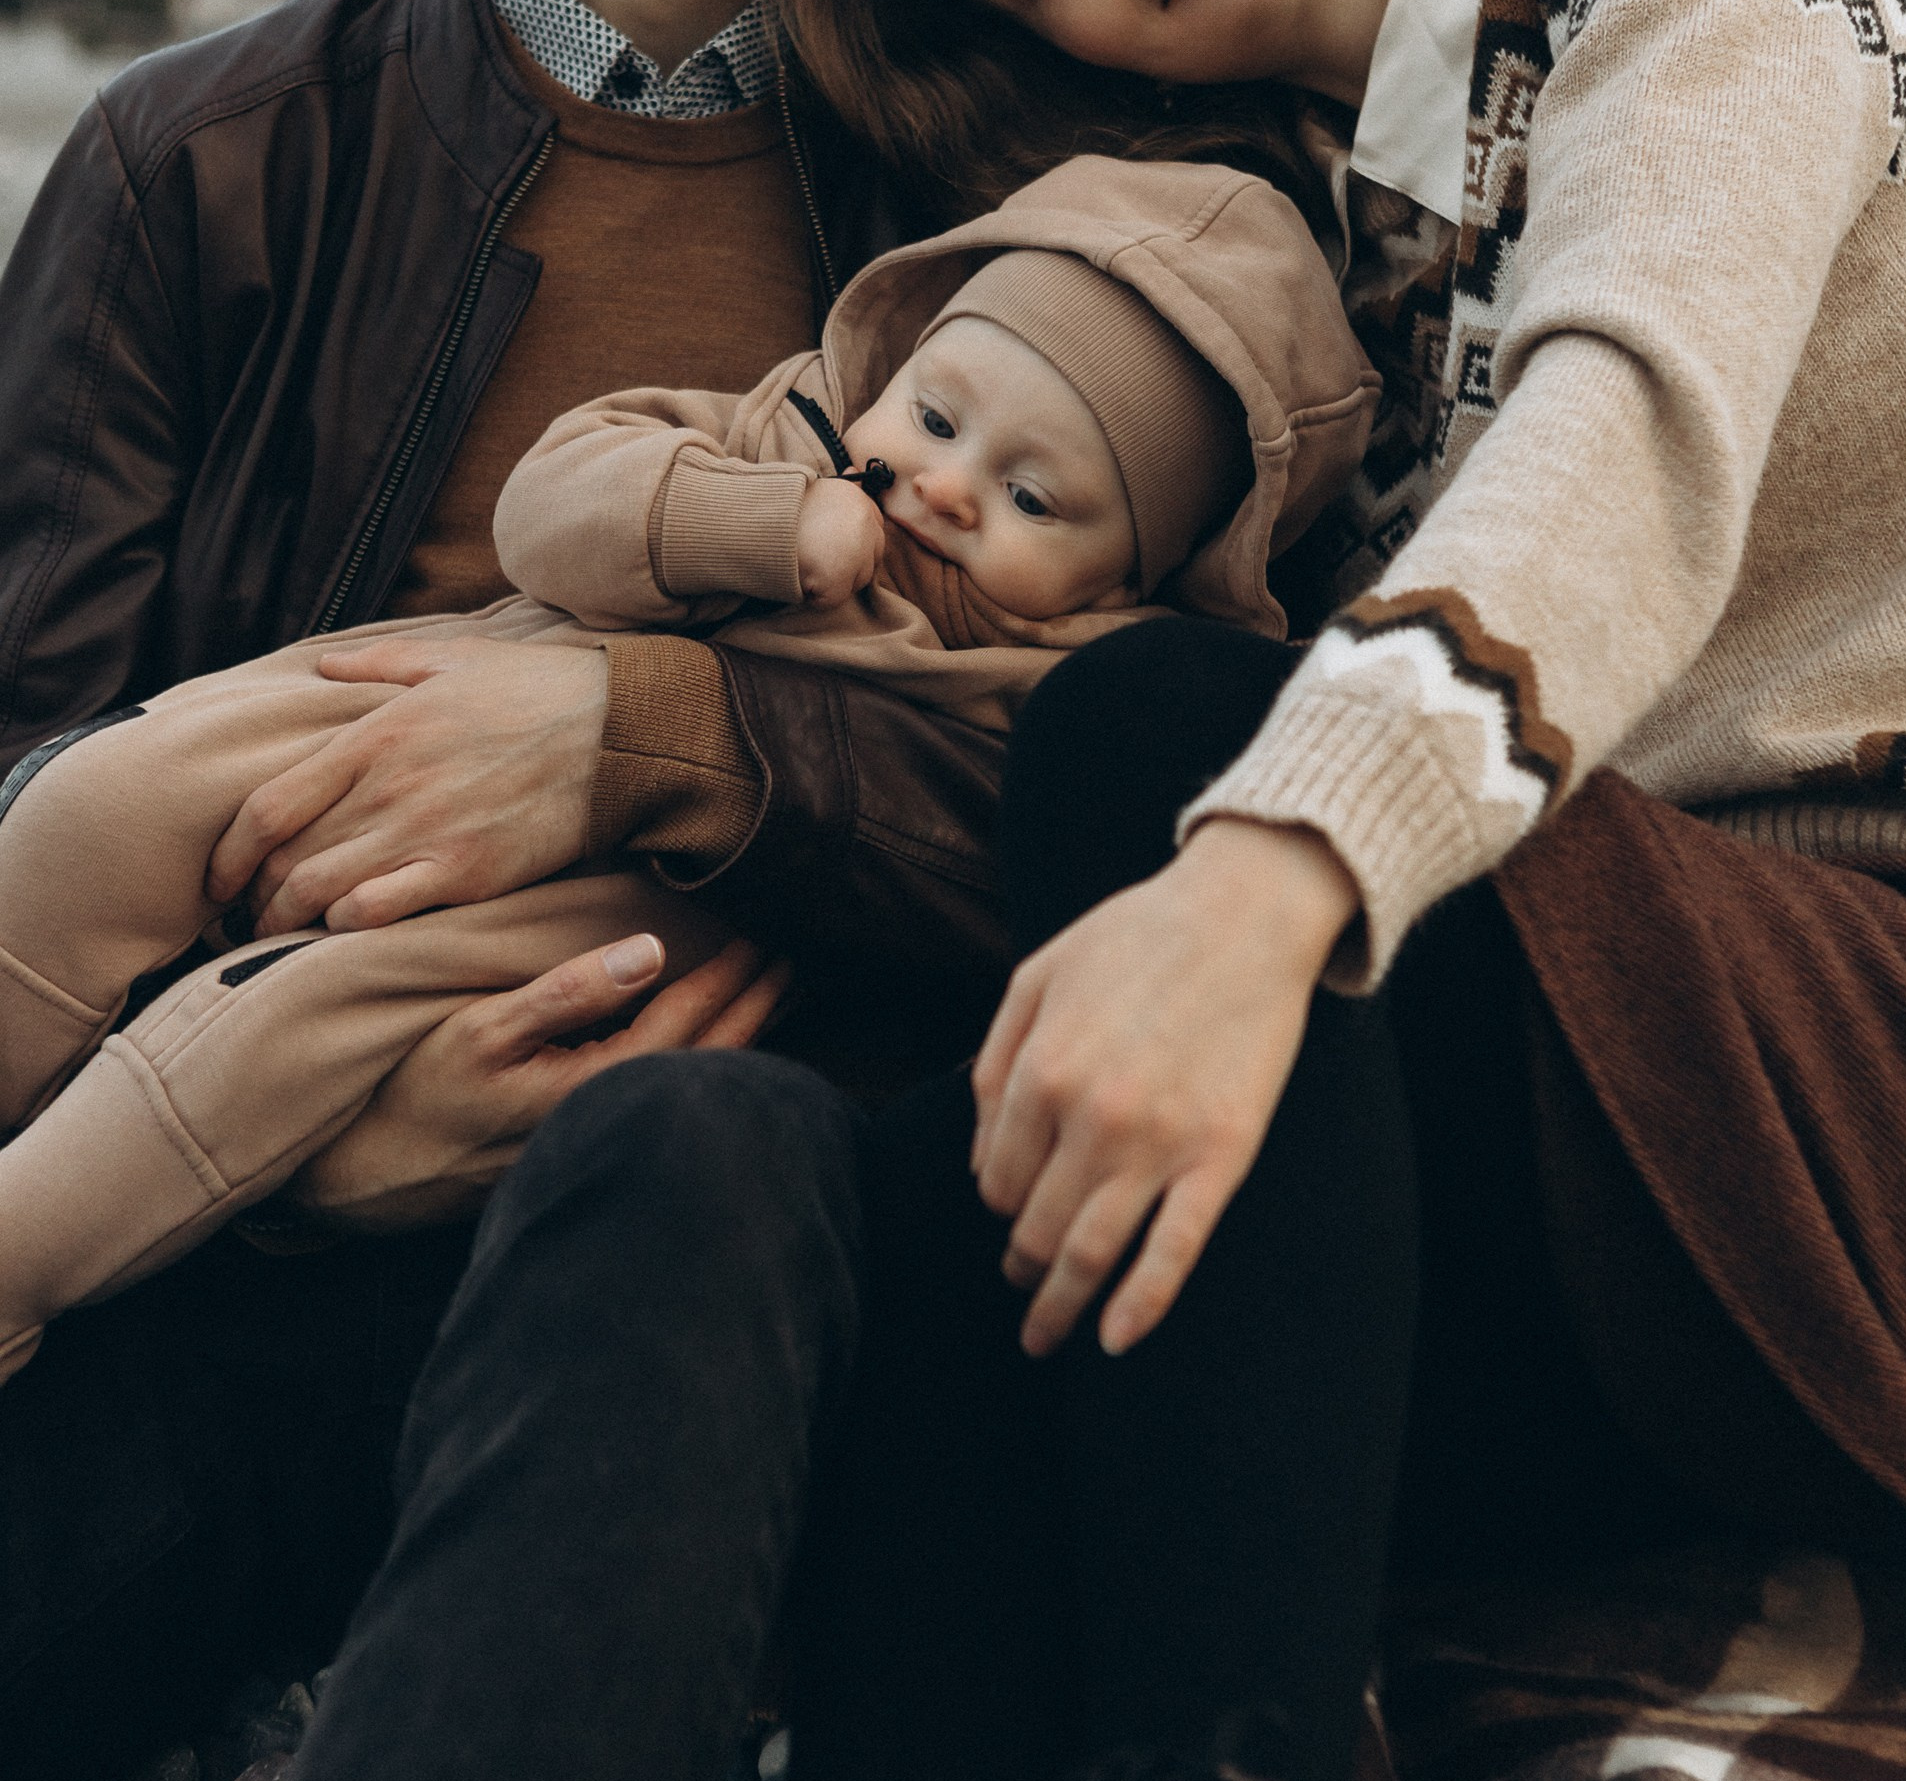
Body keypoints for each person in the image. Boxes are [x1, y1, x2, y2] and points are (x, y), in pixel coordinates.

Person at [747, 0, 1906, 1781]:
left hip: (1884, 1019)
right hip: (1656, 1155)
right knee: (946, 1207)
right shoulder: (1325, 295)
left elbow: (1638, 407)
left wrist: (1272, 862)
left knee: (1153, 741)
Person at [0, 0, 1073, 1781]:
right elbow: (37, 802)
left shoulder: (1046, 224)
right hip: (203, 1281)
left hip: (744, 1276)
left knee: (688, 1167)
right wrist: (288, 1141)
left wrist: (662, 731)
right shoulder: (187, 168)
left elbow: (1150, 779)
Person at [0, 156, 1373, 1371]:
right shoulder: (782, 435)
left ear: (1131, 573)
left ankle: (20, 1262)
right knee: (103, 802)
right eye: (939, 417)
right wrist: (759, 525)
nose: (946, 489)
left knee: (272, 1027)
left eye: (1035, 497)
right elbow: (553, 504)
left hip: (628, 910)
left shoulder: (1070, 679)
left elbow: (969, 847)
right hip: (425, 703)